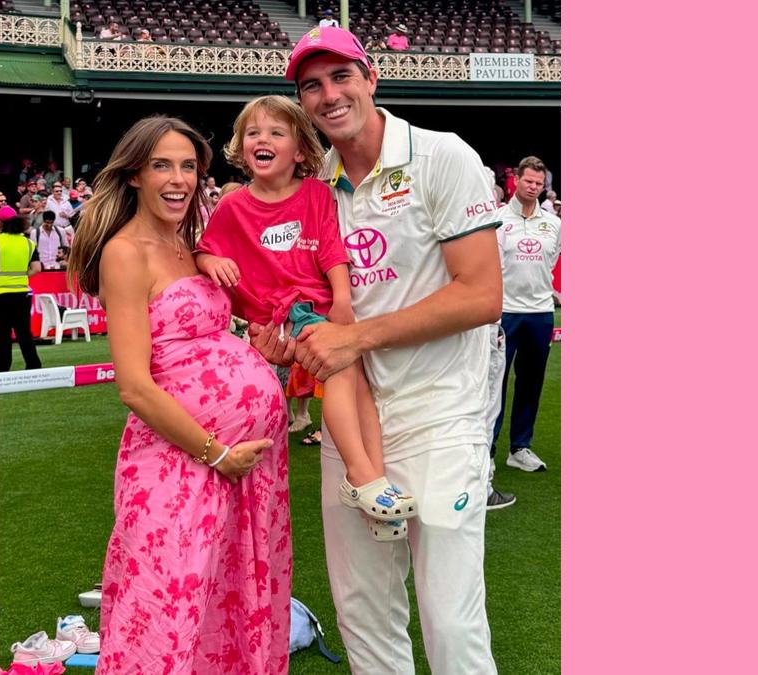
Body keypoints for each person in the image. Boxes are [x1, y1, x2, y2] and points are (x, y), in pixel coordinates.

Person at [251, 26, 511, 674]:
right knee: (365, 617)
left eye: (341, 76)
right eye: (311, 85)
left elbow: (482, 294)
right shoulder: (312, 190)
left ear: (372, 78)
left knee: (450, 621)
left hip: (439, 412)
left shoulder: (442, 156)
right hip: (354, 425)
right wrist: (294, 346)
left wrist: (352, 338)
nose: (329, 95)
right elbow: (316, 307)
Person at [65, 116, 291, 673]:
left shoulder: (191, 244)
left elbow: (205, 347)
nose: (178, 178)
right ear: (135, 175)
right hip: (181, 465)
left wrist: (263, 356)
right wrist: (219, 453)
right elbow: (136, 387)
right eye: (162, 164)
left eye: (188, 166)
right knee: (166, 611)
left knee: (228, 601)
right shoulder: (126, 253)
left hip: (245, 470)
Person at [196, 95, 417, 538]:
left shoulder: (317, 194)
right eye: (253, 133)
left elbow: (332, 247)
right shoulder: (233, 206)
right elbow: (204, 250)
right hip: (279, 318)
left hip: (318, 311)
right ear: (241, 146)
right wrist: (209, 264)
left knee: (359, 386)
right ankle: (361, 475)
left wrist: (341, 297)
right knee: (341, 372)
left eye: (276, 133)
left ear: (299, 151)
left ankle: (375, 484)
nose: (263, 139)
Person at [491, 156, 561, 473]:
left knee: (530, 384)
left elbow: (553, 265)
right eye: (528, 181)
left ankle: (519, 448)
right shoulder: (497, 219)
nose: (533, 187)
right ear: (517, 180)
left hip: (541, 313)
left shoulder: (555, 224)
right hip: (505, 312)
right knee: (495, 383)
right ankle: (487, 449)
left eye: (538, 183)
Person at [0, 207, 42, 372]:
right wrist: (21, 276)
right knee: (24, 332)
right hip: (22, 293)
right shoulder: (28, 243)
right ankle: (34, 365)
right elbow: (36, 268)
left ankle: (3, 367)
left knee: (2, 334)